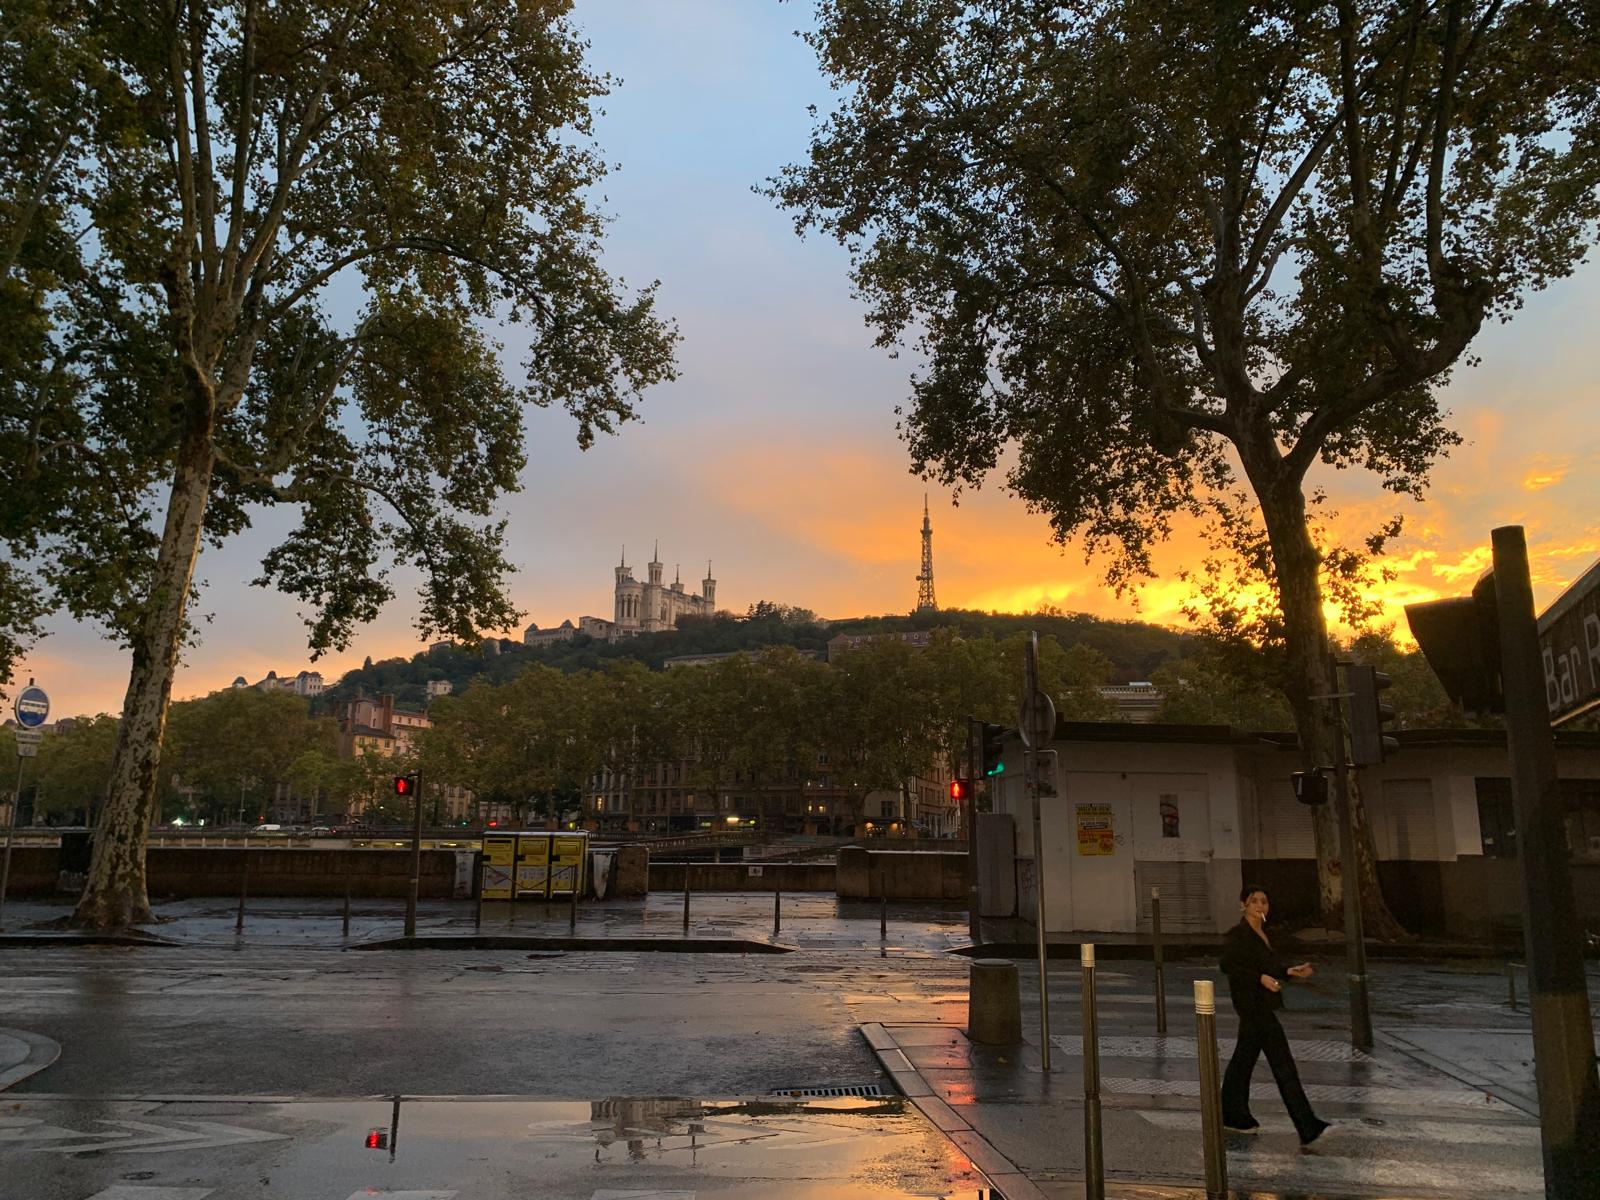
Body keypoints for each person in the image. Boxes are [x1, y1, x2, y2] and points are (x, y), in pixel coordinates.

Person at [1219, 884, 1332, 1147]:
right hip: (1252, 1006)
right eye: (1254, 901)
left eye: (1264, 901)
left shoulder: (1265, 934)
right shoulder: (1238, 936)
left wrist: (1290, 971)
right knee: (1282, 1064)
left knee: (1243, 1061)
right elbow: (1229, 966)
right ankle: (1307, 1125)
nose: (1260, 906)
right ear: (1243, 905)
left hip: (1262, 1005)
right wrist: (1259, 978)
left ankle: (1233, 1114)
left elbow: (1270, 967)